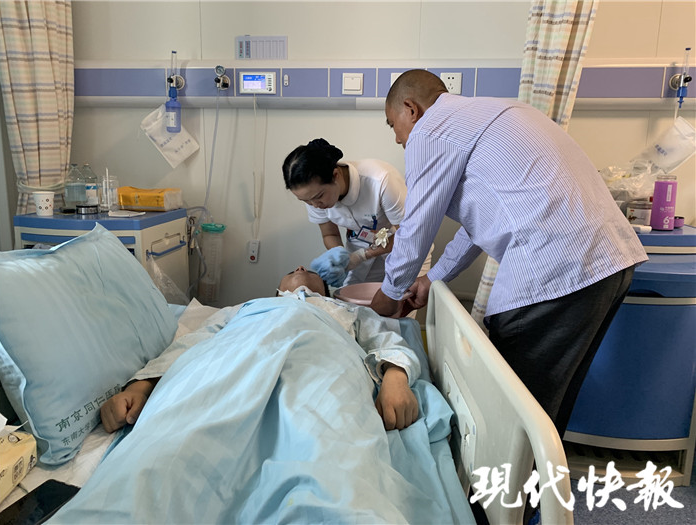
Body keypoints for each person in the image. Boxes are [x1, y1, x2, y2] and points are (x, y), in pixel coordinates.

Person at [370, 69, 648, 439]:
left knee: (513, 417)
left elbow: (417, 225)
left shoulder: (431, 129)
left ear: (411, 109)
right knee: (548, 406)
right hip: (610, 261)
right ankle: (539, 478)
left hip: (555, 271)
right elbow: (479, 224)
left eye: (393, 125)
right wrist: (432, 279)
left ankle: (508, 480)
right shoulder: (500, 112)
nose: (397, 138)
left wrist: (388, 295)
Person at [100, 266, 419, 434]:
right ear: (276, 293)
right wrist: (142, 385)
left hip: (322, 373)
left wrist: (395, 379)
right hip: (238, 366)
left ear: (326, 292)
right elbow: (194, 341)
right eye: (292, 270)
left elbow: (386, 340)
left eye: (311, 272)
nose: (300, 266)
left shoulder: (345, 311)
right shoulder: (249, 308)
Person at [282, 138, 432, 288]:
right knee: (349, 297)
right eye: (306, 201)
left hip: (406, 247)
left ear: (335, 175)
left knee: (402, 296)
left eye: (319, 197)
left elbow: (409, 236)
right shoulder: (312, 195)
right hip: (359, 246)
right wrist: (339, 256)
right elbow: (330, 234)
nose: (315, 205)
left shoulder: (381, 180)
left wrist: (362, 255)